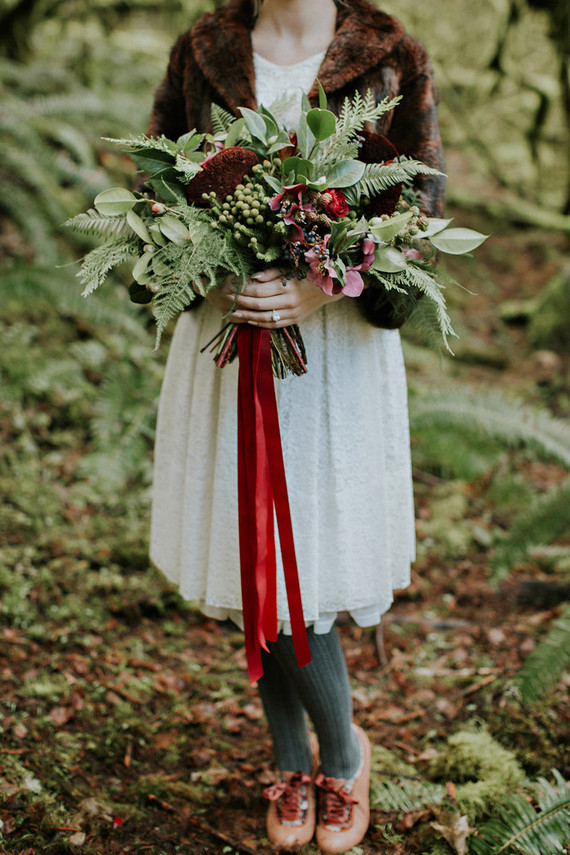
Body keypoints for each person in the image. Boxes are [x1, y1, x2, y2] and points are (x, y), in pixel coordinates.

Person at [146, 0, 445, 850]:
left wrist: (321, 286)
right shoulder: (204, 48)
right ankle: (291, 755)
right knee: (250, 551)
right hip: (228, 339)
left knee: (301, 560)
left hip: (333, 356)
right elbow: (155, 189)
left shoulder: (390, 55)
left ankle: (343, 754)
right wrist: (207, 262)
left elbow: (417, 215)